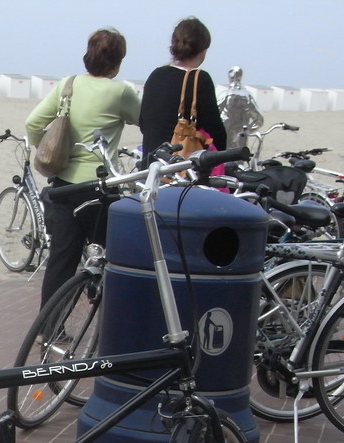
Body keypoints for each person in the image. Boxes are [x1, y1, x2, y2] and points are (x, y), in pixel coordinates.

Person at [26, 28, 139, 309]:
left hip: (64, 186)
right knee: (114, 258)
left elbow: (32, 123)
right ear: (118, 61)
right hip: (101, 188)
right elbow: (146, 120)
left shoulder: (68, 85)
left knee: (60, 261)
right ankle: (107, 319)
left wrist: (46, 151)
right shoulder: (120, 92)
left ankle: (49, 326)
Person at [139, 17, 226, 163]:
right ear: (202, 49)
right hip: (178, 168)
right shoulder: (199, 79)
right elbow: (215, 132)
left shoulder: (156, 75)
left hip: (150, 165)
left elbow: (144, 123)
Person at [219, 66, 264, 149]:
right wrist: (248, 129)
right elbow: (259, 119)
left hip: (223, 137)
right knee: (239, 154)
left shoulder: (224, 95)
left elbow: (212, 115)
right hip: (241, 137)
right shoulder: (246, 96)